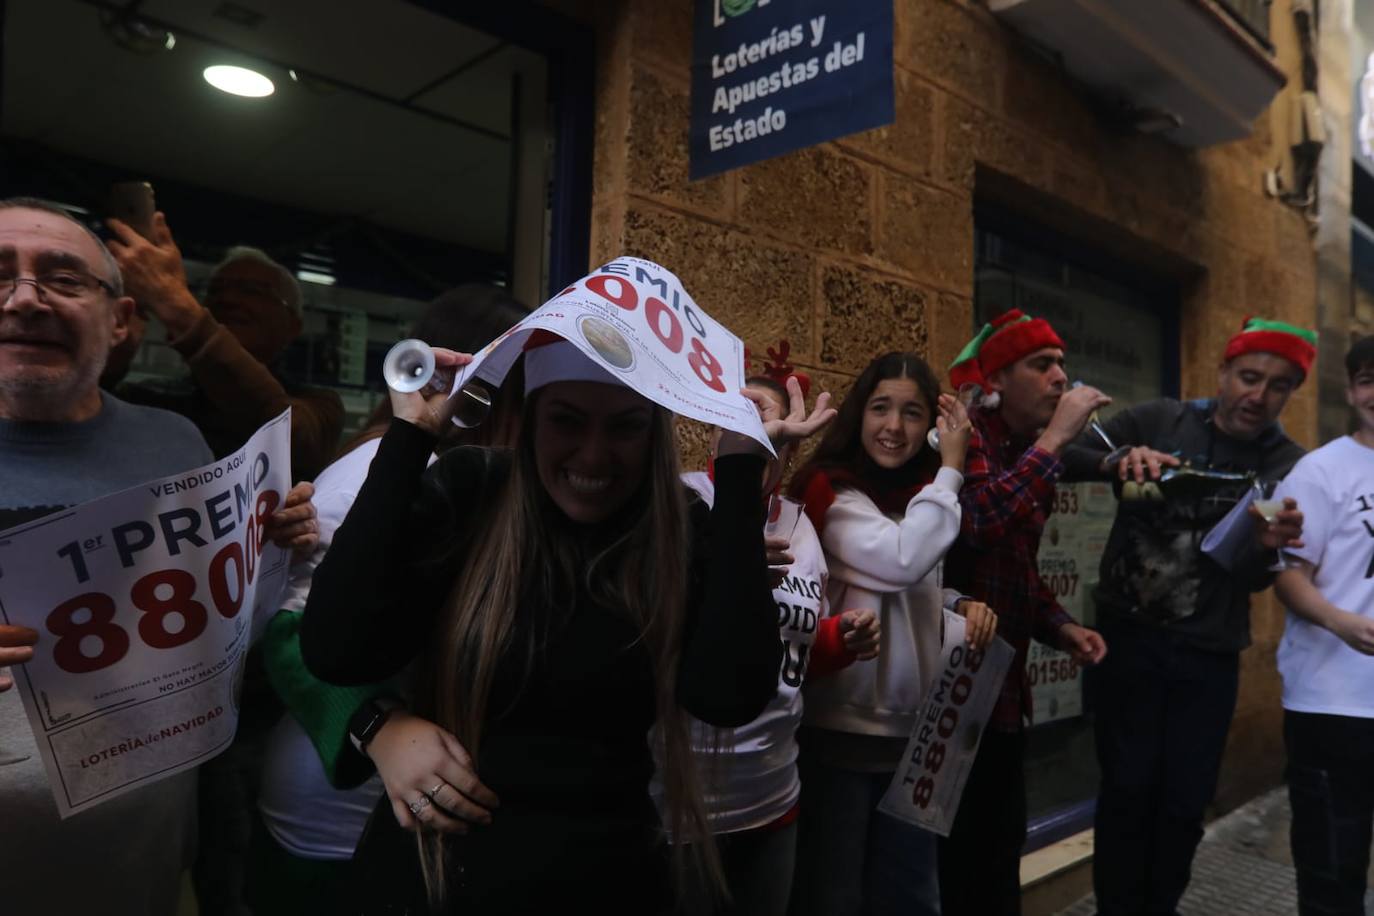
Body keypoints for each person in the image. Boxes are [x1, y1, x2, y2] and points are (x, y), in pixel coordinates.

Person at [299, 336, 835, 913]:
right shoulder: (472, 492)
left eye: (624, 427)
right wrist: (410, 437)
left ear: (653, 435)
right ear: (532, 421)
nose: (593, 456)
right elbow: (336, 647)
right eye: (567, 421)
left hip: (608, 878)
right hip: (434, 879)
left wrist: (738, 471)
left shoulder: (679, 526)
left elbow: (729, 694)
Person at [0, 197, 316, 916]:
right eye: (0, 274)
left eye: (64, 278)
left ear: (120, 320)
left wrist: (269, 542)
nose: (26, 299)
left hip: (143, 866)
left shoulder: (174, 442)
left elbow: (214, 625)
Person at [246, 285, 528, 916]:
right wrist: (378, 727)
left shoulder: (480, 475)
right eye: (523, 390)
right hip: (338, 824)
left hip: (418, 817)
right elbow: (291, 635)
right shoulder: (379, 472)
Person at [1060, 316, 1312, 916]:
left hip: (1209, 653)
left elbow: (1255, 578)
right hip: (1127, 642)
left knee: (1183, 803)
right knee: (1126, 791)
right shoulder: (1159, 421)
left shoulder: (1287, 464)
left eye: (1277, 385)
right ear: (1223, 371)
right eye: (1248, 377)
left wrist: (1268, 547)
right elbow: (1059, 454)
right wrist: (1118, 459)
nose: (1258, 395)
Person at [653, 368, 880, 916]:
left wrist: (840, 638)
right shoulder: (679, 504)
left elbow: (792, 656)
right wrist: (728, 566)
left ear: (791, 444)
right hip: (679, 806)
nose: (750, 425)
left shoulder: (802, 527)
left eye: (764, 416)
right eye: (735, 415)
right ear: (714, 433)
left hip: (773, 797)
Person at [786, 351, 999, 916]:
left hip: (916, 743)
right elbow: (900, 559)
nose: (894, 427)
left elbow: (911, 584)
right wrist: (952, 468)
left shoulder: (924, 500)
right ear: (859, 413)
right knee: (836, 898)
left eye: (912, 412)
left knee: (912, 898)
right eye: (881, 408)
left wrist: (955, 602)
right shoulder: (834, 494)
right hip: (840, 741)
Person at [936, 310, 1109, 916]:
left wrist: (1063, 627)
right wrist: (1056, 440)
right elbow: (978, 522)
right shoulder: (969, 437)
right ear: (997, 380)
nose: (1061, 377)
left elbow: (1018, 571)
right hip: (948, 693)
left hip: (1004, 692)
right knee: (955, 863)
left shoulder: (1027, 451)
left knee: (1000, 851)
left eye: (1062, 363)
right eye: (1042, 364)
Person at [106, 214, 344, 482]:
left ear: (293, 326)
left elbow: (290, 434)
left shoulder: (319, 406)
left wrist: (178, 308)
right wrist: (116, 351)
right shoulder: (150, 399)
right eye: (216, 290)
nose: (228, 298)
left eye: (252, 290)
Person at [1268, 336, 1374, 916]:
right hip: (1333, 706)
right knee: (1332, 876)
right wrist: (1341, 622)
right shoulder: (1318, 471)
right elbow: (1288, 577)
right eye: (1367, 380)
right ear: (1351, 390)